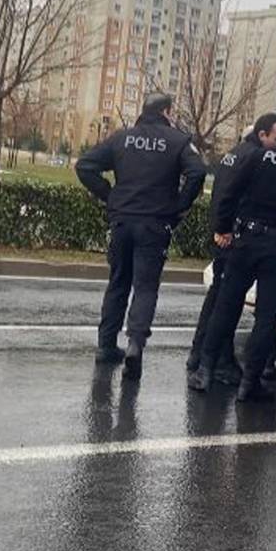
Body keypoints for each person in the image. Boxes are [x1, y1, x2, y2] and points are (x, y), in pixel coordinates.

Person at [189, 116, 276, 401]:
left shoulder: (259, 156)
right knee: (266, 316)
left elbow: (229, 193)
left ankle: (204, 370)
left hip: (245, 242)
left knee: (226, 306)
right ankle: (250, 381)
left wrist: (224, 228)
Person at [76, 93, 207, 381]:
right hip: (155, 224)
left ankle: (106, 345)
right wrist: (179, 206)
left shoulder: (122, 137)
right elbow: (198, 172)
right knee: (145, 287)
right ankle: (135, 344)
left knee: (118, 282)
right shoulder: (178, 141)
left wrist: (111, 197)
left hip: (122, 221)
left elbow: (84, 166)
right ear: (167, 112)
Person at [186, 112, 276, 385]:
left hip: (224, 233)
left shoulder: (236, 152)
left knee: (217, 299)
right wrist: (230, 231)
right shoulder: (253, 157)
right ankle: (219, 361)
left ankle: (199, 354)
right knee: (224, 304)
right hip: (235, 237)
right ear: (263, 134)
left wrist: (220, 229)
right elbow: (236, 197)